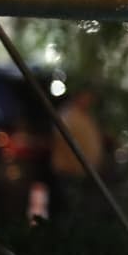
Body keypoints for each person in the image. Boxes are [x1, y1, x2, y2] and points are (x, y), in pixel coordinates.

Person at [48, 85, 105, 220]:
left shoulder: (85, 116)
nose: (89, 101)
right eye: (86, 97)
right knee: (70, 210)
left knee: (81, 210)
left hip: (82, 172)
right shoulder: (68, 116)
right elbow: (62, 143)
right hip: (70, 172)